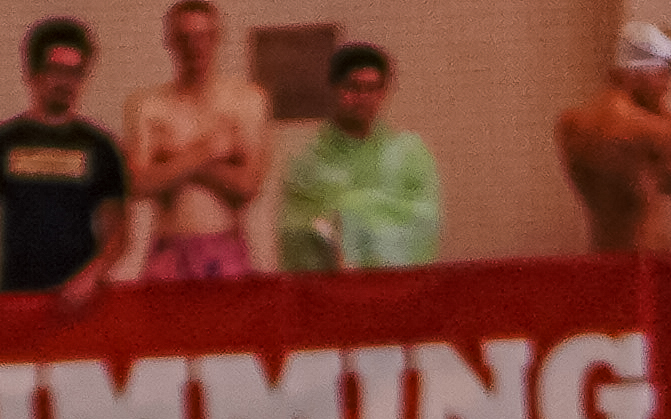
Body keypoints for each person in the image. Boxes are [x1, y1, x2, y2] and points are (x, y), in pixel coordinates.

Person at [0, 18, 133, 317]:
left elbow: (118, 234)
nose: (66, 82)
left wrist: (92, 277)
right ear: (32, 73)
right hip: (14, 300)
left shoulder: (101, 147)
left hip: (79, 305)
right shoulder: (0, 143)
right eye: (57, 70)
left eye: (76, 72)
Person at [123, 0, 271, 282]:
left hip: (225, 247)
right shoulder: (147, 107)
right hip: (168, 250)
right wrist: (206, 152)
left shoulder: (247, 102)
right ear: (170, 41)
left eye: (203, 36)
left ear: (217, 38)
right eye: (184, 38)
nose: (194, 46)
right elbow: (139, 184)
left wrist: (173, 158)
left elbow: (247, 187)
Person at [275, 45, 441, 272]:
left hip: (396, 284)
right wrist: (333, 227)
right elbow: (292, 229)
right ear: (334, 88)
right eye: (353, 87)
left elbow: (425, 220)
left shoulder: (409, 154)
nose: (363, 98)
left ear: (384, 91)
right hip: (330, 286)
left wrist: (358, 211)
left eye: (372, 88)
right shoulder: (308, 160)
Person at [558, 22, 671, 255]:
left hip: (603, 255)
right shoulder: (630, 122)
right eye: (666, 70)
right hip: (640, 265)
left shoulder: (572, 122)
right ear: (637, 69)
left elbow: (664, 178)